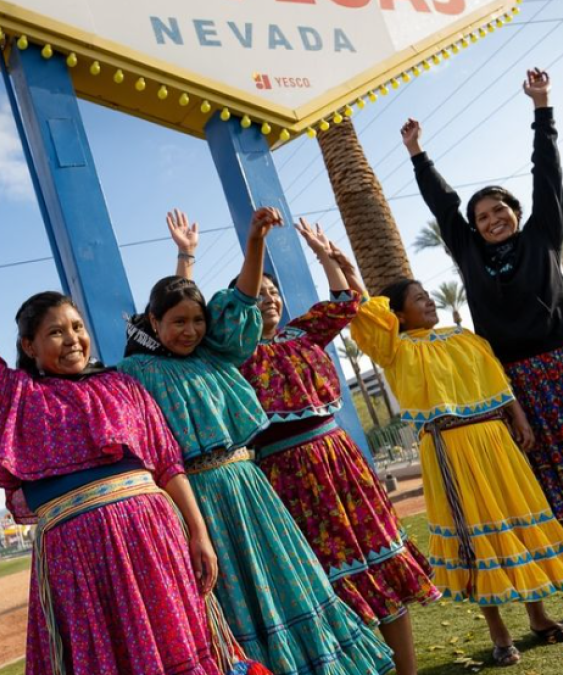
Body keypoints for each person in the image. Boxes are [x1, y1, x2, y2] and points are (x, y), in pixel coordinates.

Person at [400, 67, 563, 626]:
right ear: (473, 228)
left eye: (500, 211)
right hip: (520, 383)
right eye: (482, 217)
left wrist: (542, 108)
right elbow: (443, 205)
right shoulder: (468, 254)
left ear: (517, 214)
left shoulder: (543, 234)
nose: (492, 220)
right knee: (553, 485)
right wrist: (418, 155)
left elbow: (548, 174)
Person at [0, 225, 227, 675]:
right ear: (29, 347)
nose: (72, 339)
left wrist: (198, 532)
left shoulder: (122, 386)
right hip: (77, 558)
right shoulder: (15, 396)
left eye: (77, 327)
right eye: (55, 332)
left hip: (152, 541)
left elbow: (168, 464)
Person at [119, 208, 395, 675]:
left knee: (287, 580)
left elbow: (241, 300)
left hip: (250, 484)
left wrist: (254, 244)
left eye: (197, 321)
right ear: (153, 322)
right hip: (198, 498)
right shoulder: (136, 374)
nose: (190, 331)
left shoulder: (216, 352)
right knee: (233, 596)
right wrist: (184, 259)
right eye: (178, 323)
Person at [341, 252, 563, 667]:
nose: (428, 301)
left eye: (429, 295)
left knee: (517, 523)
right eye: (419, 298)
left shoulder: (466, 339)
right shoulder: (396, 350)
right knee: (474, 535)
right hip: (448, 447)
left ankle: (538, 617)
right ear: (400, 316)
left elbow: (498, 378)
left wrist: (519, 418)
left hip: (495, 441)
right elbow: (368, 312)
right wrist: (343, 267)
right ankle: (498, 634)